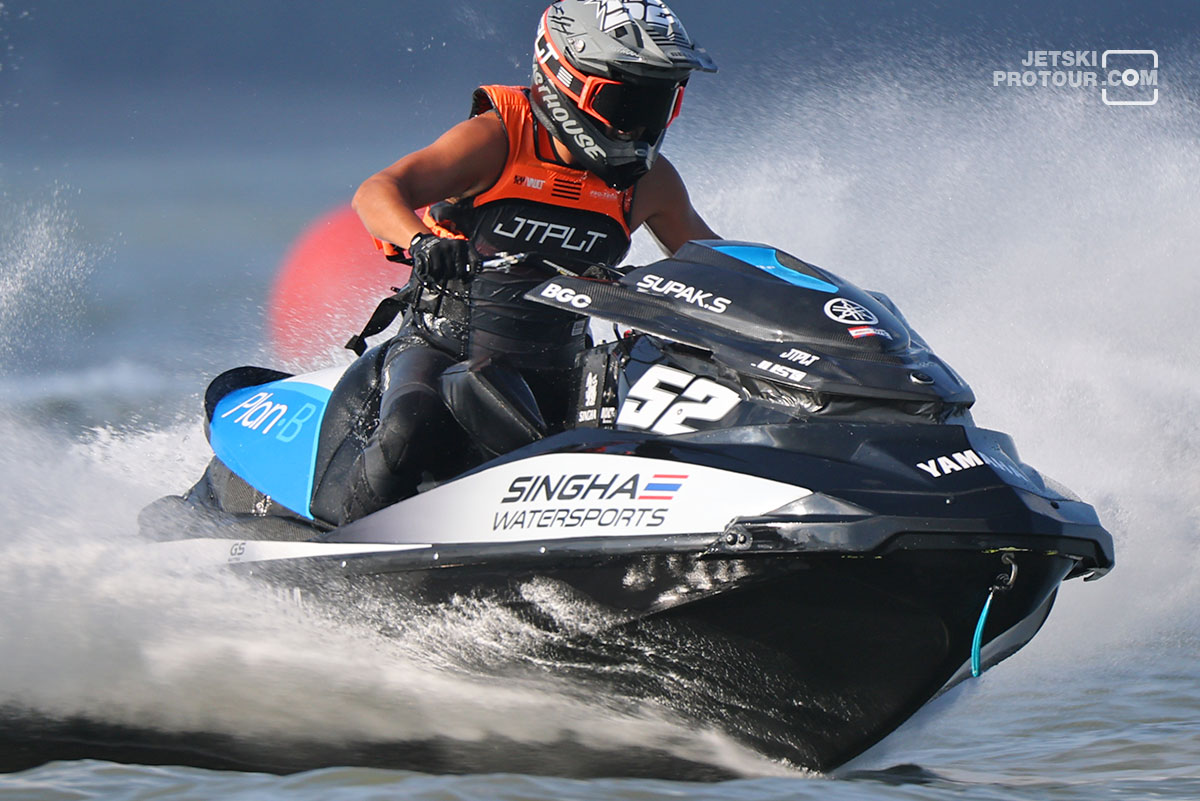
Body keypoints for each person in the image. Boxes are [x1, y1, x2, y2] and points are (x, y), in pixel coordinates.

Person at [336, 0, 719, 523]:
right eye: (627, 101)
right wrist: (421, 241)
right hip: (442, 350)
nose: (638, 127)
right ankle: (334, 548)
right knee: (410, 428)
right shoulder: (497, 139)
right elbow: (377, 191)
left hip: (563, 366)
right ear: (567, 81)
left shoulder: (651, 182)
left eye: (658, 102)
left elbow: (712, 264)